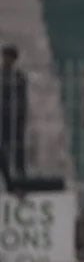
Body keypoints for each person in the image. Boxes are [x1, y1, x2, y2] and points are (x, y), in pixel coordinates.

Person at [1, 45, 28, 177]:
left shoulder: (19, 77)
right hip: (2, 115)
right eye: (5, 56)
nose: (7, 60)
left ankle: (19, 170)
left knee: (18, 144)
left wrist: (21, 114)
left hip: (16, 116)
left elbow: (22, 98)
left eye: (10, 57)